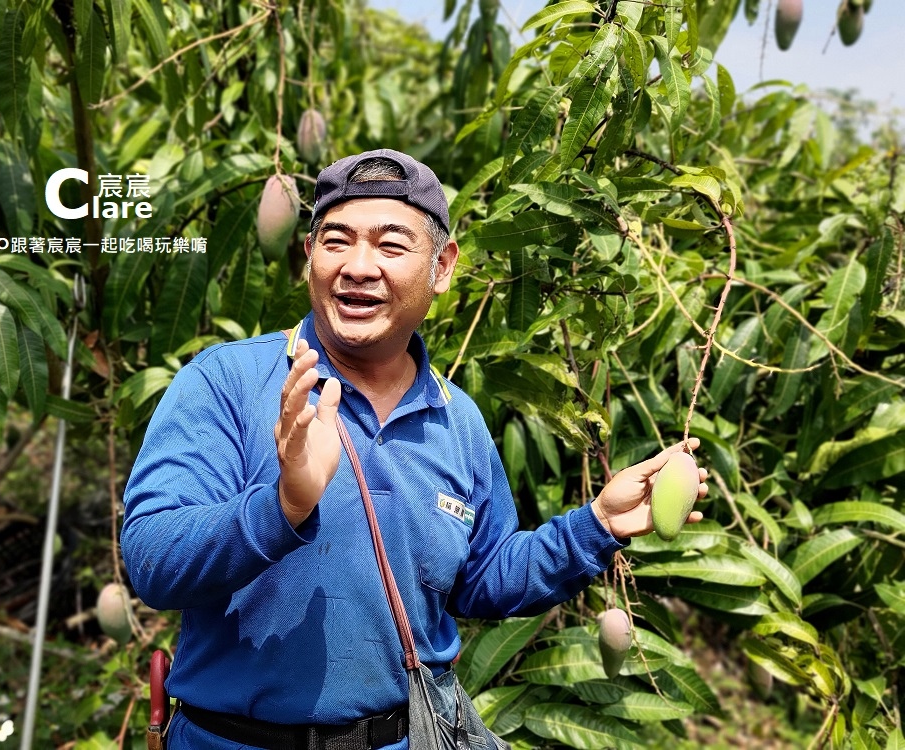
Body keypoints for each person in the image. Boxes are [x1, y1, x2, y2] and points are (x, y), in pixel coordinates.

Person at [120, 149, 708, 749]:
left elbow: (479, 581)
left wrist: (597, 526)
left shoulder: (458, 419)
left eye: (391, 246)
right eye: (337, 241)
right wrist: (283, 507)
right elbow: (152, 560)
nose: (357, 267)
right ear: (309, 258)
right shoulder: (228, 381)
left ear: (442, 266)